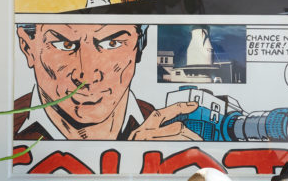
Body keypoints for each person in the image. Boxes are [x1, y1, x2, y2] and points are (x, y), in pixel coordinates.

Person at [13, 23, 201, 141]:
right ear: (28, 48)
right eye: (65, 45)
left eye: (112, 44)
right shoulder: (4, 128)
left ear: (139, 47)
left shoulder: (171, 129)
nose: (87, 77)